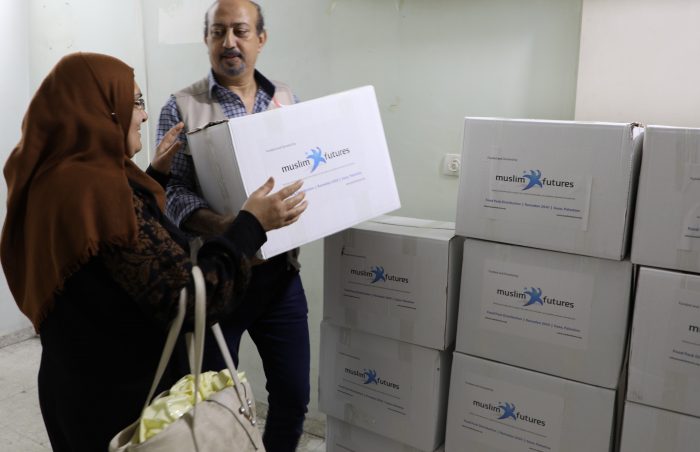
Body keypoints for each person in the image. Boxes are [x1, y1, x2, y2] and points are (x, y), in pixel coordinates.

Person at [0, 52, 306, 452]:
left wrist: (154, 176)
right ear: (101, 108)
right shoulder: (104, 193)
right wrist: (251, 225)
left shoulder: (51, 181)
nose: (142, 115)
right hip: (125, 404)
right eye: (135, 102)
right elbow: (192, 301)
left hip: (72, 385)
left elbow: (112, 253)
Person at [157, 1, 310, 450]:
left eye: (240, 31)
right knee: (213, 403)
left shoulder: (285, 99)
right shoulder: (182, 106)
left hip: (281, 277)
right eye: (218, 32)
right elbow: (170, 191)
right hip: (218, 280)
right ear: (206, 40)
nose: (230, 43)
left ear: (260, 39)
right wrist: (230, 224)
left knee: (293, 395)